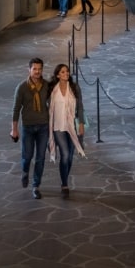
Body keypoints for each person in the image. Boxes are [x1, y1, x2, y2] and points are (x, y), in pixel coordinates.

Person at [11, 58, 51, 199]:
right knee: (27, 156)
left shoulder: (46, 85)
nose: (37, 71)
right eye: (34, 69)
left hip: (43, 126)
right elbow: (16, 109)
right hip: (28, 126)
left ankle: (36, 186)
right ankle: (25, 172)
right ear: (29, 70)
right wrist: (14, 129)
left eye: (39, 69)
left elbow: (52, 105)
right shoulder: (22, 87)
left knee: (40, 158)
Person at [47, 63, 86, 198]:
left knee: (69, 157)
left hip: (72, 127)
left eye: (67, 71)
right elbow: (47, 107)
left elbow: (80, 106)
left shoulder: (74, 88)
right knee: (64, 155)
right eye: (63, 72)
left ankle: (64, 178)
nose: (66, 74)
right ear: (57, 75)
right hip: (58, 126)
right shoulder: (52, 89)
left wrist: (81, 123)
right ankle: (64, 184)